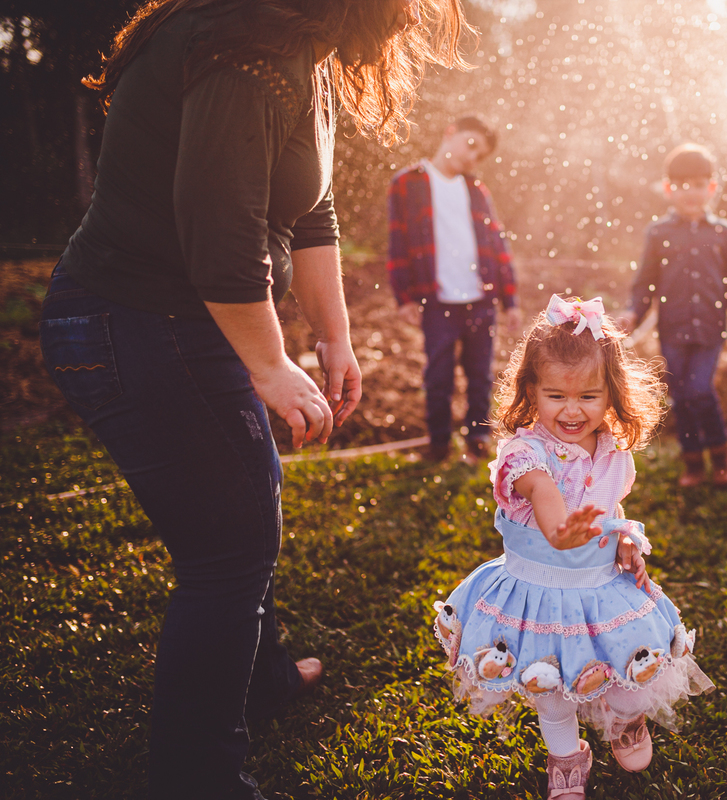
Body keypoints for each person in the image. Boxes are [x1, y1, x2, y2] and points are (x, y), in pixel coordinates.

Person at [37, 1, 467, 797]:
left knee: (249, 491)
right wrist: (271, 365)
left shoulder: (296, 49)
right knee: (229, 551)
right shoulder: (245, 51)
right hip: (137, 320)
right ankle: (199, 778)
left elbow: (312, 212)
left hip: (180, 320)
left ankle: (259, 678)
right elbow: (219, 233)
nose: (411, 17)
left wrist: (333, 334)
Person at [431, 295, 715, 800]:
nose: (572, 409)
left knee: (628, 668)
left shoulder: (611, 452)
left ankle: (624, 721)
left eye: (588, 395)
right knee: (553, 686)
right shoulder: (525, 455)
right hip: (539, 593)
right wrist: (562, 536)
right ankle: (565, 757)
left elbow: (608, 512)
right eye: (556, 395)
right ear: (532, 391)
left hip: (603, 586)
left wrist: (624, 540)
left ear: (610, 395)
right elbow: (547, 502)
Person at [621, 143, 727, 489]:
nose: (691, 193)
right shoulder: (659, 234)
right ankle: (693, 462)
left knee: (699, 388)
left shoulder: (721, 232)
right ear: (668, 189)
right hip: (673, 329)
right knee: (681, 394)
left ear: (711, 188)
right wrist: (632, 313)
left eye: (699, 184)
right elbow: (646, 282)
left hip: (711, 329)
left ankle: (721, 458)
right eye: (682, 185)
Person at [386, 115, 521, 464]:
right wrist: (404, 296)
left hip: (480, 299)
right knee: (438, 374)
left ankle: (477, 439)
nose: (472, 157)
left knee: (480, 373)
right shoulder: (407, 183)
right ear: (450, 133)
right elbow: (397, 242)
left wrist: (510, 300)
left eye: (480, 155)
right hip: (436, 300)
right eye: (471, 144)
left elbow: (496, 243)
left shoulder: (476, 191)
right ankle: (439, 443)